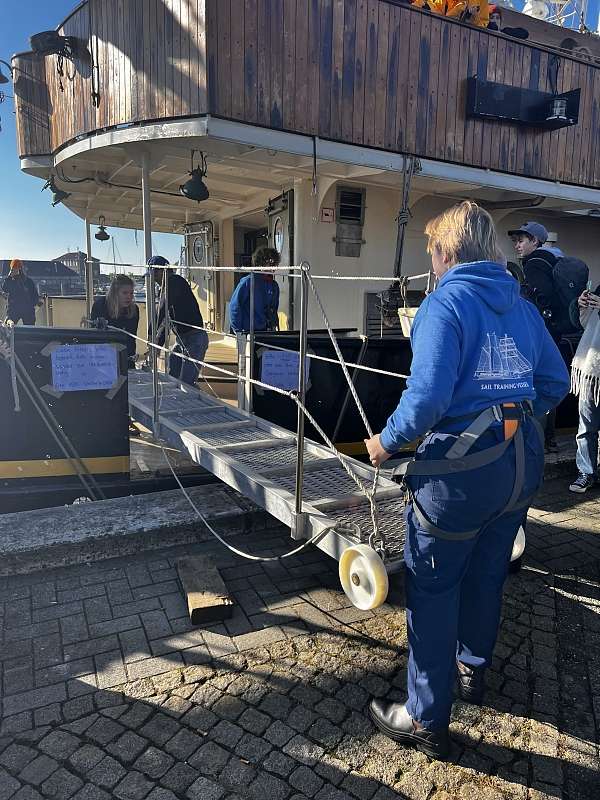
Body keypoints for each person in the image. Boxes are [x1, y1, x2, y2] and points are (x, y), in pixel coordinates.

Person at [364, 202, 569, 760]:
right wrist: (513, 418)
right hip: (517, 469)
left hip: (457, 478)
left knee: (432, 591)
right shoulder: (522, 308)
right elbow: (554, 380)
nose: (429, 262)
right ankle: (473, 668)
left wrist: (385, 441)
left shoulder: (444, 303)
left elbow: (426, 398)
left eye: (431, 251)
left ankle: (426, 718)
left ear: (447, 252)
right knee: (487, 574)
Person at [509, 222, 563, 452]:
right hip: (556, 332)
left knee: (535, 385)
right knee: (549, 383)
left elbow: (537, 302)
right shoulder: (554, 260)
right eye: (516, 241)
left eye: (522, 240)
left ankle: (541, 440)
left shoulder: (535, 264)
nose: (517, 245)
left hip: (541, 335)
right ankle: (549, 439)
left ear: (536, 241)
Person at [148, 256, 208, 387]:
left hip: (195, 339)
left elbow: (161, 311)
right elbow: (167, 319)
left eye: (153, 274)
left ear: (161, 271)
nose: (152, 279)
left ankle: (192, 404)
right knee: (172, 376)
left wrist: (151, 335)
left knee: (186, 384)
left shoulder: (174, 281)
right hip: (182, 340)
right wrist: (158, 343)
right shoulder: (165, 287)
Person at [569, 283, 600, 493]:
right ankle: (586, 471)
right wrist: (581, 306)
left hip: (592, 365)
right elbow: (585, 324)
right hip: (591, 365)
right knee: (586, 425)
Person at [91, 275, 139, 368]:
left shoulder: (134, 310)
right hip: (103, 358)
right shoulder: (100, 305)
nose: (129, 297)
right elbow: (95, 337)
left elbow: (131, 339)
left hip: (126, 356)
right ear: (115, 293)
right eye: (125, 293)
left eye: (131, 293)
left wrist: (129, 363)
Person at [229, 247, 281, 334]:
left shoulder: (274, 286)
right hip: (246, 331)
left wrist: (274, 326)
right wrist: (238, 331)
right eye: (271, 263)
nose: (274, 267)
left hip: (266, 331)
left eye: (275, 264)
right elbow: (234, 306)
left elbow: (273, 310)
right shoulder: (248, 282)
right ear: (260, 264)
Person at [1, 259, 43, 325]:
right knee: (29, 329)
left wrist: (9, 277)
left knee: (9, 326)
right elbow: (4, 289)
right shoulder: (28, 281)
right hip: (25, 309)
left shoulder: (25, 281)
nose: (14, 270)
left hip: (16, 308)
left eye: (14, 268)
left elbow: (4, 289)